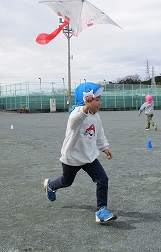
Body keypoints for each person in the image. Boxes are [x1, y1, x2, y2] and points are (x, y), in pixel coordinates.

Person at [43, 82, 117, 223]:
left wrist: (104, 147)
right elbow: (74, 120)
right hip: (72, 157)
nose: (99, 103)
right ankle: (51, 186)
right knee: (67, 181)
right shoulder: (77, 114)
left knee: (102, 180)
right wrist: (85, 108)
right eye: (97, 99)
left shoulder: (96, 117)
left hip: (89, 157)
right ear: (86, 99)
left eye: (99, 99)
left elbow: (99, 133)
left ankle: (101, 210)